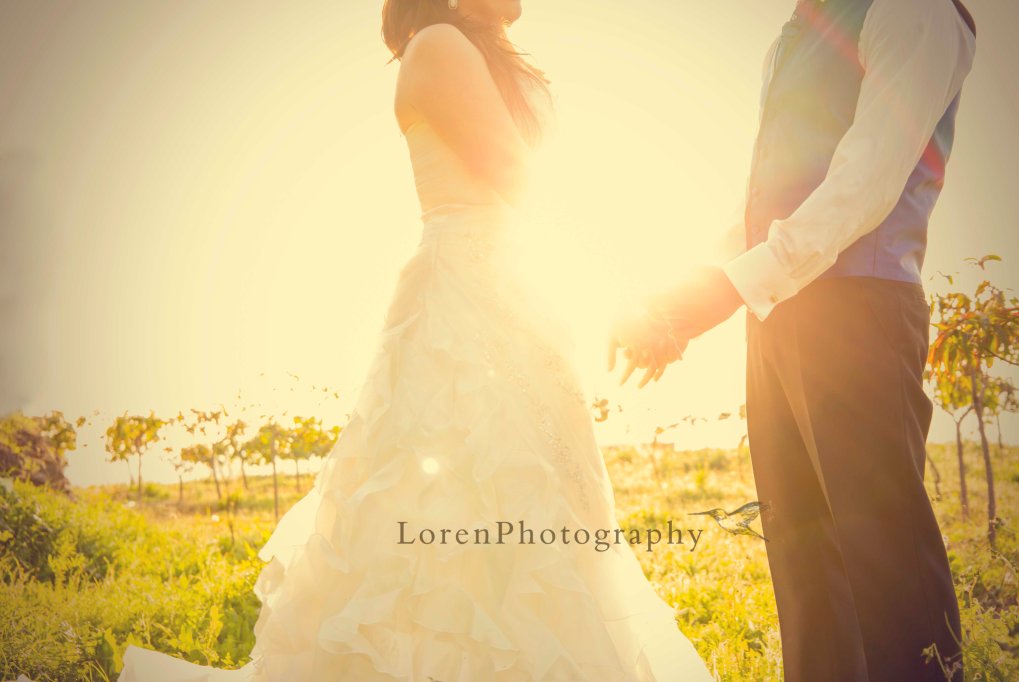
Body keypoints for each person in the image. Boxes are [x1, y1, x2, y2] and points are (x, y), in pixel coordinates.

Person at [116, 1, 714, 680]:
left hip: (519, 305)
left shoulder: (482, 50)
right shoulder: (437, 44)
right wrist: (629, 295)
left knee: (543, 512)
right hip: (467, 314)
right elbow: (516, 174)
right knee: (463, 512)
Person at [609, 0, 977, 680]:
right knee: (805, 565)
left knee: (884, 562)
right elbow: (760, 205)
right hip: (777, 318)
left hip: (860, 313)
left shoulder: (912, 11)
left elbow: (864, 181)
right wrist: (681, 306)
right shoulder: (798, 29)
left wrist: (726, 291)